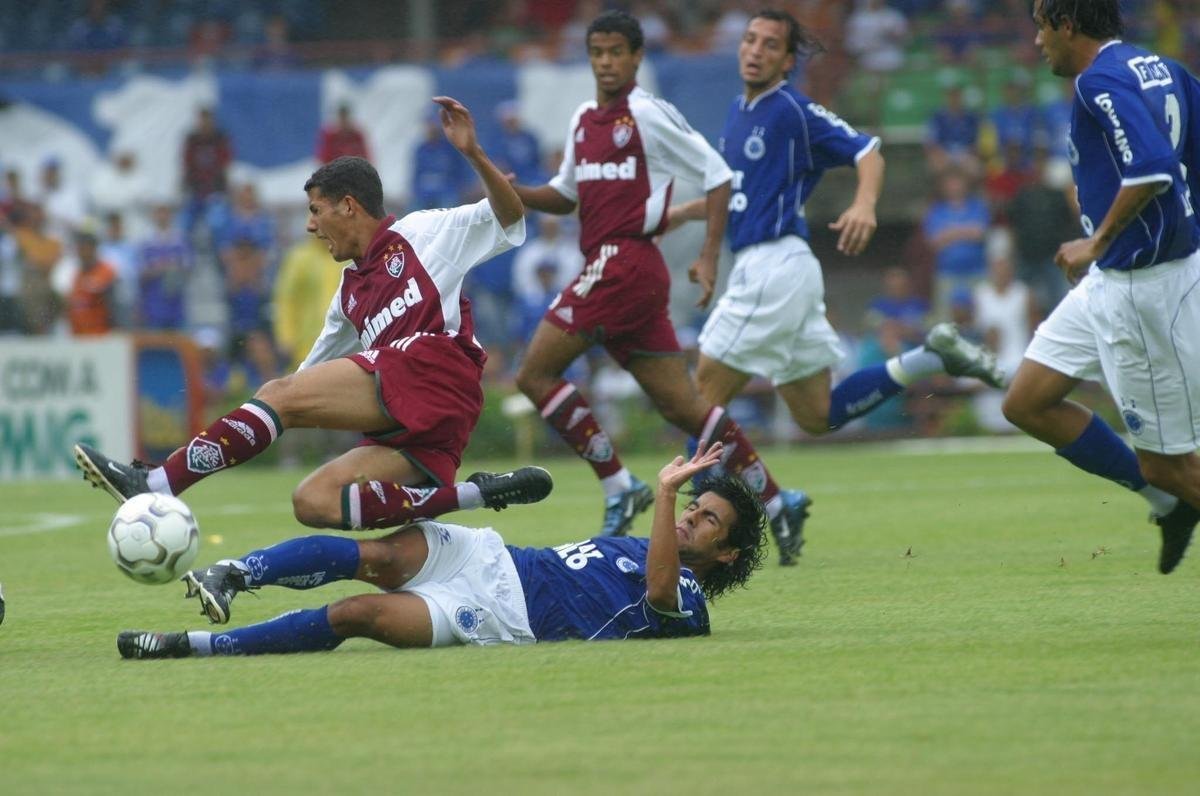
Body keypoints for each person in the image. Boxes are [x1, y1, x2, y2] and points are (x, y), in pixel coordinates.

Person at [74, 97, 549, 534]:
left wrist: (474, 154)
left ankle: (158, 483)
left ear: (348, 205)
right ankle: (473, 494)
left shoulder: (423, 232)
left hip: (436, 377)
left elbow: (507, 217)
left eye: (316, 210)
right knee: (313, 502)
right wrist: (255, 418)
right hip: (422, 429)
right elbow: (300, 388)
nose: (309, 224)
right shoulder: (347, 295)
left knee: (280, 396)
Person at [509, 10, 799, 561]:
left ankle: (619, 485)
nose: (606, 62)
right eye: (598, 52)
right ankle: (778, 502)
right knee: (687, 409)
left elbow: (718, 175)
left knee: (533, 372)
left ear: (637, 57)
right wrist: (515, 189)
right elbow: (566, 196)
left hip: (625, 262)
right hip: (625, 274)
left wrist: (710, 257)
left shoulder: (646, 113)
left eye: (617, 52)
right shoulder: (582, 121)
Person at [668, 10, 1004, 468]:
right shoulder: (738, 111)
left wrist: (863, 205)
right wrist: (683, 214)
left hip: (774, 265)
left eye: (770, 44)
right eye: (750, 40)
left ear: (788, 61)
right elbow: (739, 195)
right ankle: (929, 358)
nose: (755, 50)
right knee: (817, 413)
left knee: (701, 398)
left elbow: (868, 152)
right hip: (776, 269)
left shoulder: (792, 108)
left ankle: (716, 518)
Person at [115, 444, 767, 658]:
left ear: (728, 555)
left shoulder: (687, 604)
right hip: (496, 557)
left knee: (358, 616)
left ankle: (191, 646)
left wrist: (661, 494)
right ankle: (235, 573)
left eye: (707, 522)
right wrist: (666, 509)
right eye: (693, 509)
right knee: (377, 555)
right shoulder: (644, 543)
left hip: (504, 617)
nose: (690, 520)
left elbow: (656, 590)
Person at [1002, 0, 1200, 574]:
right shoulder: (1157, 67)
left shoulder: (1099, 82)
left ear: (1067, 25)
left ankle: (1169, 493)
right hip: (1114, 282)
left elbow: (1152, 166)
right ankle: (1168, 507)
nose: (1038, 41)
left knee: (1170, 464)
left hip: (1143, 285)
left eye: (1041, 26)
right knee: (1027, 401)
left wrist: (1098, 240)